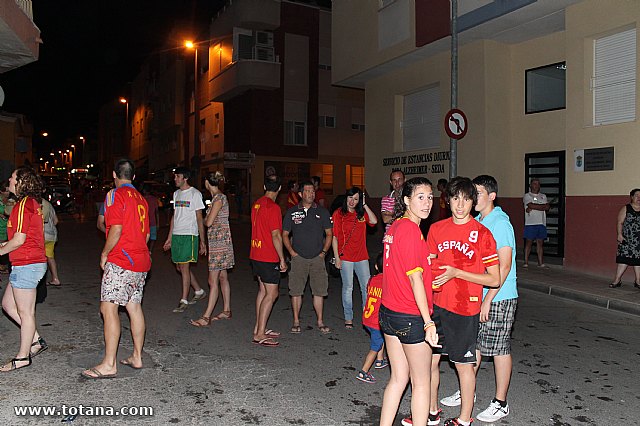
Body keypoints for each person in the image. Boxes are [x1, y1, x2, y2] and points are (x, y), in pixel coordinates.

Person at [436, 175, 517, 422]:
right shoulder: (481, 220)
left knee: (499, 348)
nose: (469, 200)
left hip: (500, 296)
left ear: (491, 196)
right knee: (477, 347)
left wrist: (488, 299)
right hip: (477, 295)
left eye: (476, 193)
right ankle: (465, 390)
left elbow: (503, 268)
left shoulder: (500, 223)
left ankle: (500, 401)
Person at [423, 177, 501, 426]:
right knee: (430, 361)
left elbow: (495, 278)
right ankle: (432, 410)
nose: (460, 205)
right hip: (437, 306)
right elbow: (430, 265)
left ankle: (465, 419)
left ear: (473, 201)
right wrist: (431, 281)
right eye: (455, 198)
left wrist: (458, 273)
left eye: (466, 199)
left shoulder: (482, 234)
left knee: (463, 366)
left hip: (465, 308)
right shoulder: (436, 229)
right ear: (447, 200)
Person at [82, 159, 151, 379]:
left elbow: (116, 228)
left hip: (122, 260)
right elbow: (147, 235)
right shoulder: (141, 199)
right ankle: (137, 356)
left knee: (108, 308)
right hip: (141, 260)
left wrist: (104, 253)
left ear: (114, 175)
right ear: (133, 176)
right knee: (133, 306)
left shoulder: (114, 195)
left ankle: (109, 364)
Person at [379, 177, 439, 426]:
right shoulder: (412, 230)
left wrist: (427, 257)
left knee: (398, 378)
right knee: (422, 382)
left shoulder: (394, 227)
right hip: (411, 317)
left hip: (389, 313)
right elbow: (415, 280)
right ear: (406, 200)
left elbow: (402, 261)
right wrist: (428, 323)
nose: (427, 203)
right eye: (420, 197)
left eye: (430, 197)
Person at [0, 167, 48, 372]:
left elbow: (19, 240)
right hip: (27, 262)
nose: (9, 180)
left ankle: (22, 357)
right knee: (8, 305)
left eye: (12, 177)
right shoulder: (32, 203)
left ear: (21, 182)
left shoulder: (22, 205)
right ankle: (36, 340)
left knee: (26, 313)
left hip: (27, 263)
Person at [282, 180, 333, 334]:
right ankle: (296, 321)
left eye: (313, 191)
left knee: (319, 291)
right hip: (299, 258)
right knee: (296, 291)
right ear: (300, 194)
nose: (311, 194)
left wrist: (323, 253)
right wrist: (292, 253)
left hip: (317, 258)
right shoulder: (292, 212)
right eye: (308, 191)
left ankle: (320, 321)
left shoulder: (322, 211)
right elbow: (284, 234)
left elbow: (329, 233)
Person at [190, 172, 235, 327]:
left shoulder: (218, 198)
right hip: (219, 242)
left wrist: (198, 217)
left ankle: (206, 316)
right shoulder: (217, 198)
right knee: (222, 277)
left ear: (207, 182)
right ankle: (227, 310)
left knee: (212, 280)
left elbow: (208, 222)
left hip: (220, 244)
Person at [332, 186, 378, 328]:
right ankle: (348, 318)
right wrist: (337, 258)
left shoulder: (362, 214)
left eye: (356, 199)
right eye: (351, 198)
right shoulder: (339, 213)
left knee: (366, 287)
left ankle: (366, 316)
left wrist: (364, 204)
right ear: (346, 198)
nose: (352, 201)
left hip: (362, 256)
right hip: (345, 257)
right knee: (348, 288)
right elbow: (335, 237)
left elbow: (374, 221)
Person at [163, 167, 207, 313]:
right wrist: (169, 238)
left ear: (185, 178)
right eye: (175, 176)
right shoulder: (176, 194)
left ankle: (183, 300)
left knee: (185, 267)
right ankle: (199, 291)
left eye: (178, 176)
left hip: (189, 234)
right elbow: (174, 216)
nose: (175, 179)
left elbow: (199, 217)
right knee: (180, 267)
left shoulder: (195, 194)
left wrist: (202, 240)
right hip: (177, 234)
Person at [250, 176, 288, 347]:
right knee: (272, 294)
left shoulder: (256, 204)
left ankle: (259, 327)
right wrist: (282, 258)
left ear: (265, 186)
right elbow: (275, 235)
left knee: (263, 291)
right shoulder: (273, 208)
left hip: (255, 253)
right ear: (279, 188)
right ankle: (259, 334)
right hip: (267, 255)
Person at [356, 253, 387, 384]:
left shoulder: (372, 279)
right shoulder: (388, 282)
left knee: (381, 338)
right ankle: (364, 371)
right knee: (375, 346)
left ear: (375, 266)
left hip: (367, 318)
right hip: (376, 321)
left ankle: (380, 361)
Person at [610, 188, 640, 288]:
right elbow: (620, 222)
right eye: (637, 195)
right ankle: (617, 280)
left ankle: (638, 281)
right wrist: (619, 234)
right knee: (623, 260)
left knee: (638, 260)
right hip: (627, 239)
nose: (639, 198)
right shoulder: (626, 208)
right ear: (632, 197)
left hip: (639, 241)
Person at [523, 178, 550, 268]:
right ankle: (526, 262)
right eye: (534, 184)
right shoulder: (527, 196)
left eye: (538, 184)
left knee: (540, 243)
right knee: (529, 243)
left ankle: (540, 263)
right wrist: (540, 206)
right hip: (530, 223)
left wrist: (535, 207)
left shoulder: (543, 196)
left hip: (541, 223)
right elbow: (530, 205)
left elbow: (547, 207)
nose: (536, 186)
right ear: (531, 185)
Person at [41, 196, 61, 286]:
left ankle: (40, 280)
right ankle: (55, 278)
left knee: (40, 258)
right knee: (50, 257)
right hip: (51, 235)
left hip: (41, 235)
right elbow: (56, 221)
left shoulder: (35, 204)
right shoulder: (48, 204)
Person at [381, 170, 405, 234]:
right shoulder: (385, 199)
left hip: (405, 236)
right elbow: (385, 219)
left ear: (404, 180)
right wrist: (402, 215)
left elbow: (411, 219)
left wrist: (391, 214)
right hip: (390, 238)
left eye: (399, 179)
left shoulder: (409, 199)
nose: (397, 183)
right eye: (394, 180)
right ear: (391, 182)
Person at [142, 184, 160, 253]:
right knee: (153, 238)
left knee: (143, 237)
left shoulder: (141, 198)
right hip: (152, 221)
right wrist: (158, 223)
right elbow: (157, 212)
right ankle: (150, 250)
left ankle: (145, 250)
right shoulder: (154, 199)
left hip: (143, 222)